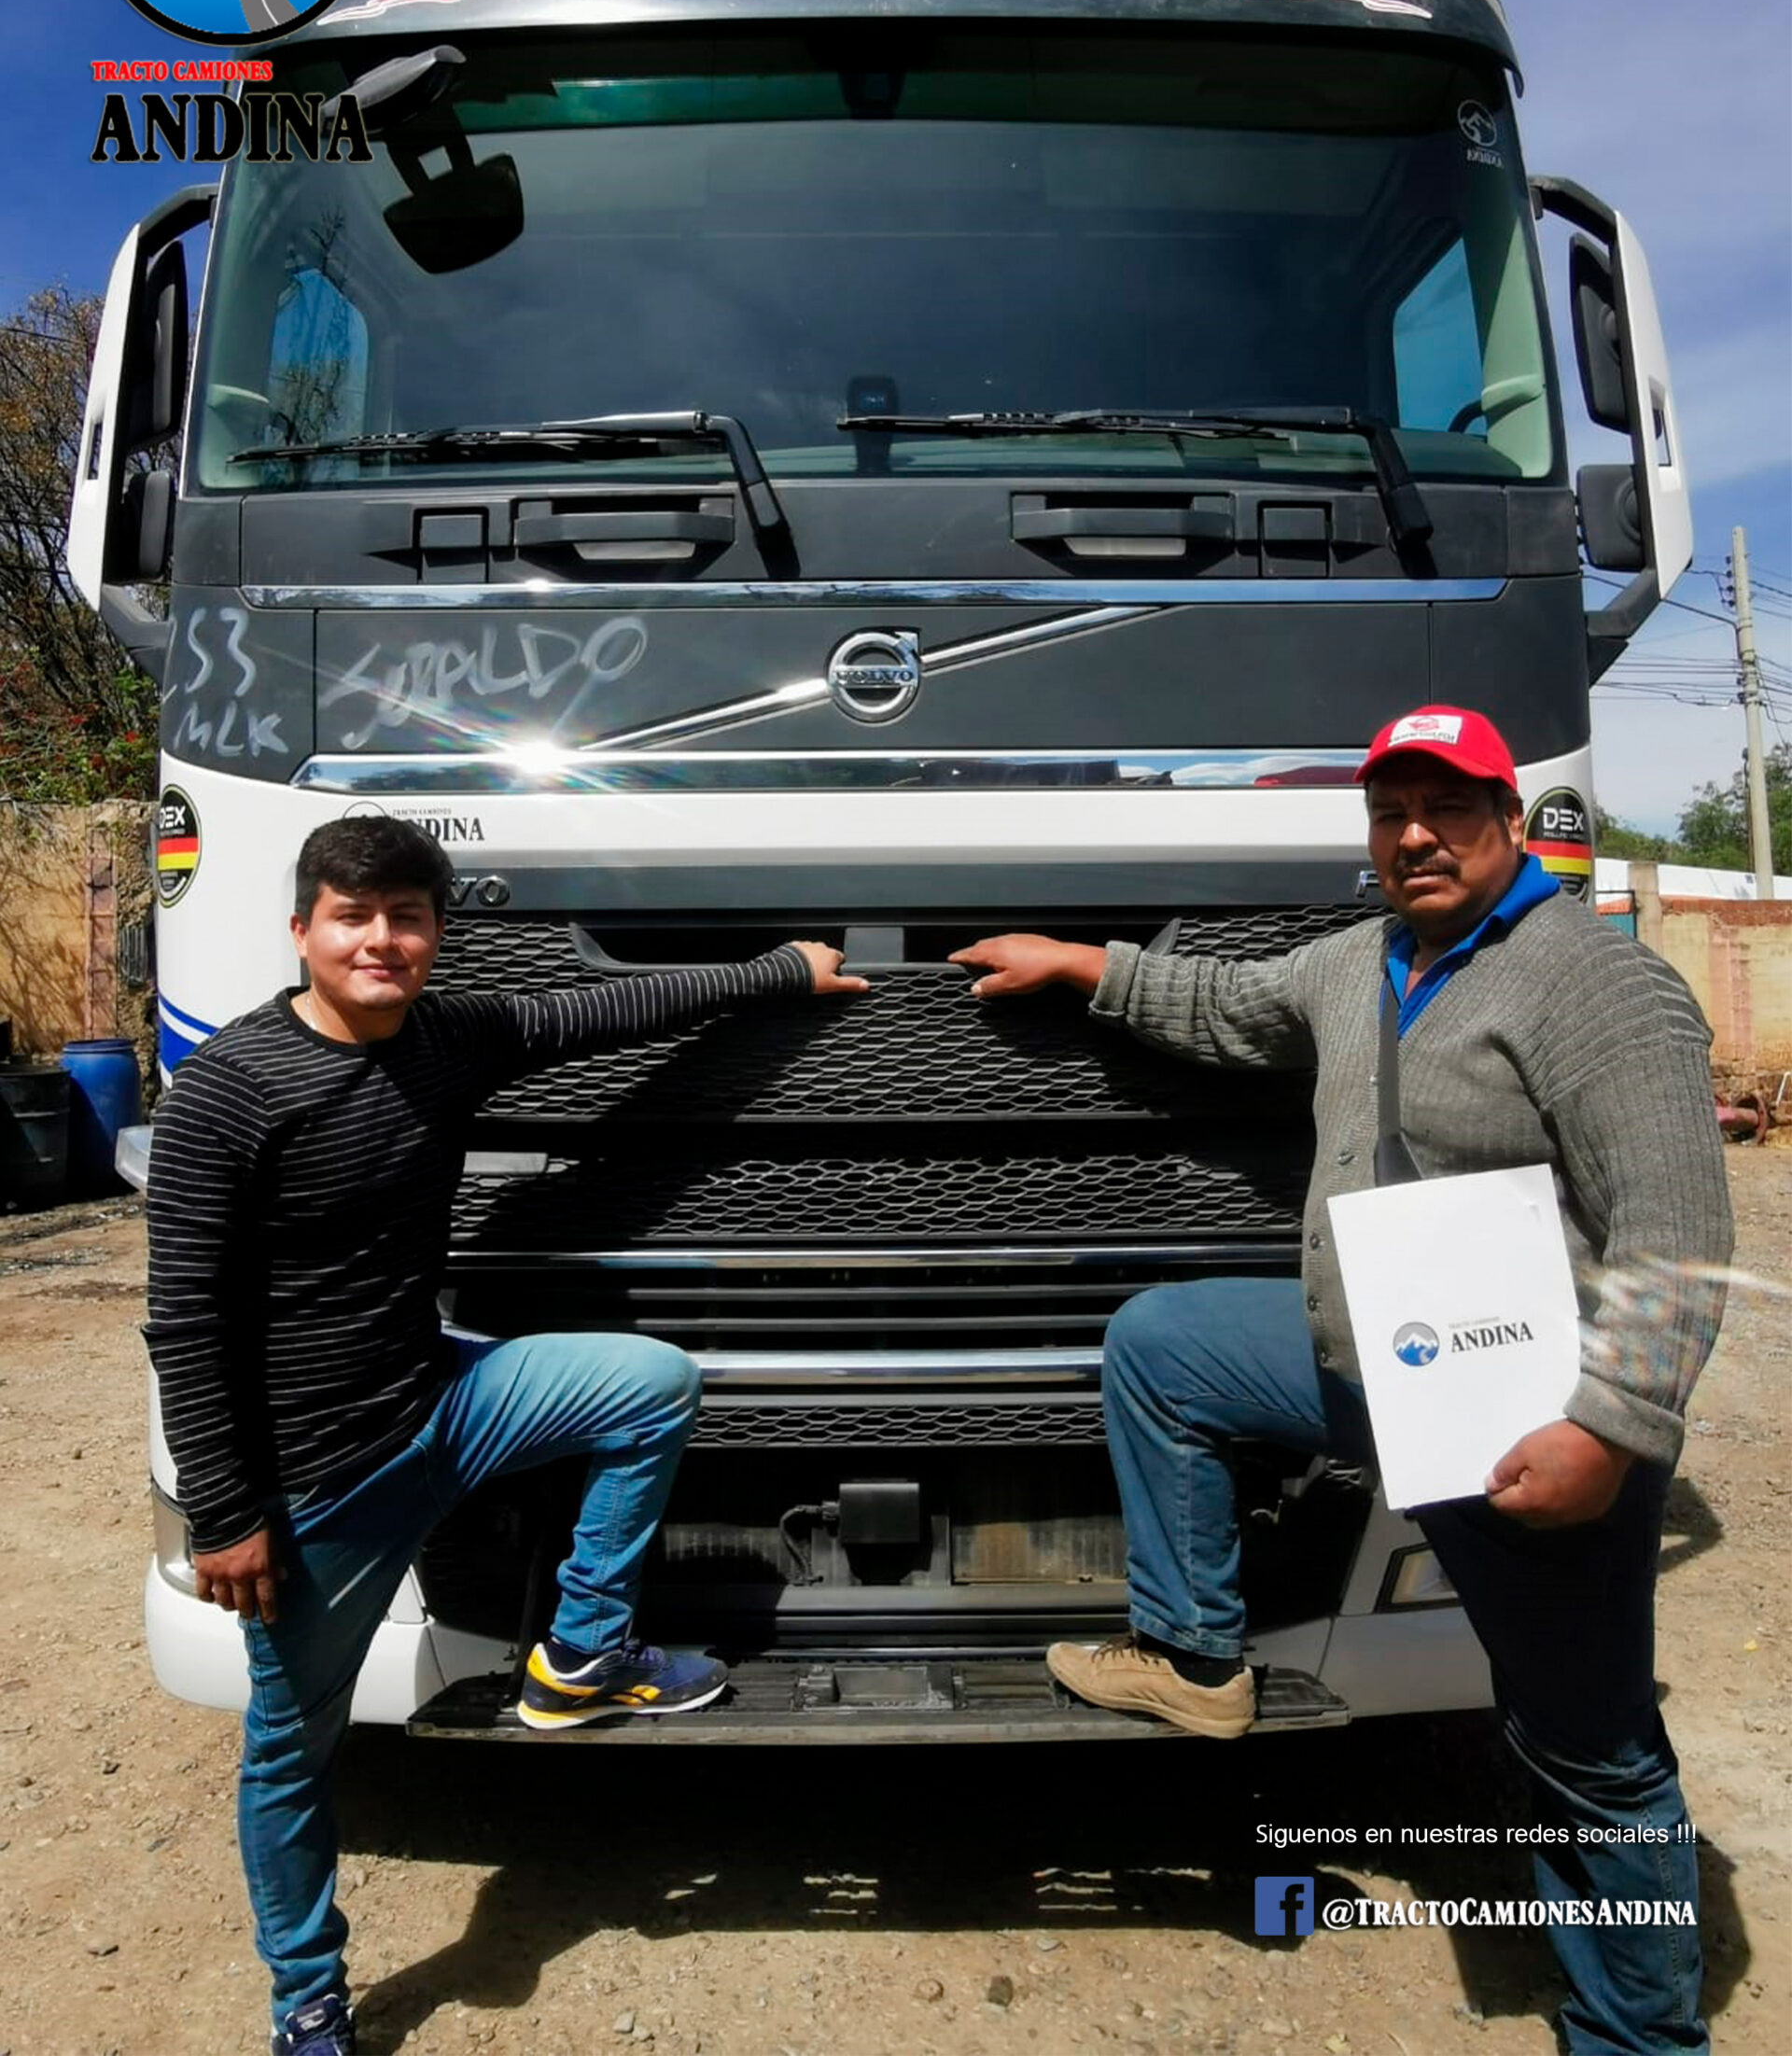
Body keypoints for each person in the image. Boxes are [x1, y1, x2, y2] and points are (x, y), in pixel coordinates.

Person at [951, 705, 1729, 2056]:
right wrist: (1081, 962)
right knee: (1166, 1346)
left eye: (1448, 807)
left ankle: (1641, 2038)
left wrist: (1610, 1429)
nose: (1415, 836)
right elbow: (1226, 1005)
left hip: (1527, 1422)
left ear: (1510, 819)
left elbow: (1677, 1235)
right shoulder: (1364, 959)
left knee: (1589, 1747)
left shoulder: (1600, 984)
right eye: (1390, 814)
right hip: (1366, 1357)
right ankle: (1196, 1658)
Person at [146, 817, 867, 2056]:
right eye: (353, 917)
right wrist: (222, 1512)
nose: (381, 940)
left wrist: (780, 973)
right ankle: (307, 1993)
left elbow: (605, 1012)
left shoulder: (444, 1038)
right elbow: (183, 1317)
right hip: (320, 1483)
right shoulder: (231, 1090)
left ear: (436, 934)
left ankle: (578, 1660)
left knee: (645, 1383)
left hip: (442, 1401)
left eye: (407, 917)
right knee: (291, 1750)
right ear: (302, 930)